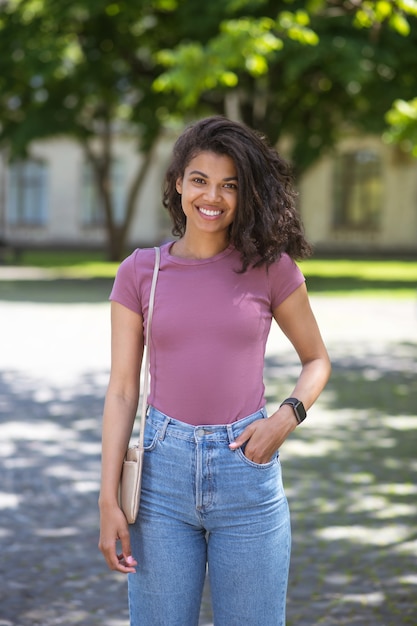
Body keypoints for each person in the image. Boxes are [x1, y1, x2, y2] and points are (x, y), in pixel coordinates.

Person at [98, 116, 331, 626]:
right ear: (178, 182)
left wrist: (284, 419)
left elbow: (317, 359)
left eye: (230, 185)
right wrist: (107, 498)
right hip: (162, 476)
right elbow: (121, 392)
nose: (213, 196)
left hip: (246, 473)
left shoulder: (271, 268)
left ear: (245, 194)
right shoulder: (141, 271)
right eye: (200, 180)